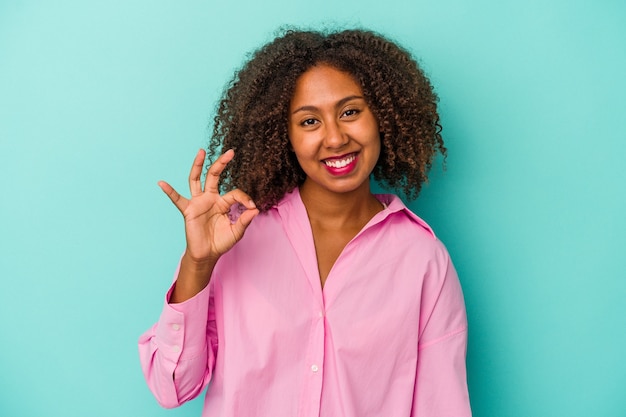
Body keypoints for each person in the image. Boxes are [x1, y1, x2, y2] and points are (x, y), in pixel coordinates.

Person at [139, 28, 471, 416]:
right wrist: (198, 264)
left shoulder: (422, 259)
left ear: (382, 115)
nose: (334, 138)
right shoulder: (237, 236)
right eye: (309, 121)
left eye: (350, 112)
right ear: (286, 137)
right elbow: (172, 387)